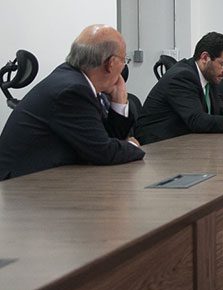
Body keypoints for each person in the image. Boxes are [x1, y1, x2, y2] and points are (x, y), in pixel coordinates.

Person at [0, 24, 144, 180]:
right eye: (124, 60)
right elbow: (104, 152)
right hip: (21, 183)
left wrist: (118, 101)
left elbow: (106, 140)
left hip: (44, 176)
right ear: (111, 63)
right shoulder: (73, 91)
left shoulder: (75, 79)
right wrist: (132, 146)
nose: (123, 67)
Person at [136, 32, 223, 145]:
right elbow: (197, 120)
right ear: (205, 58)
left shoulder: (209, 76)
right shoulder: (182, 76)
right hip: (159, 148)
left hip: (187, 145)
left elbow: (221, 111)